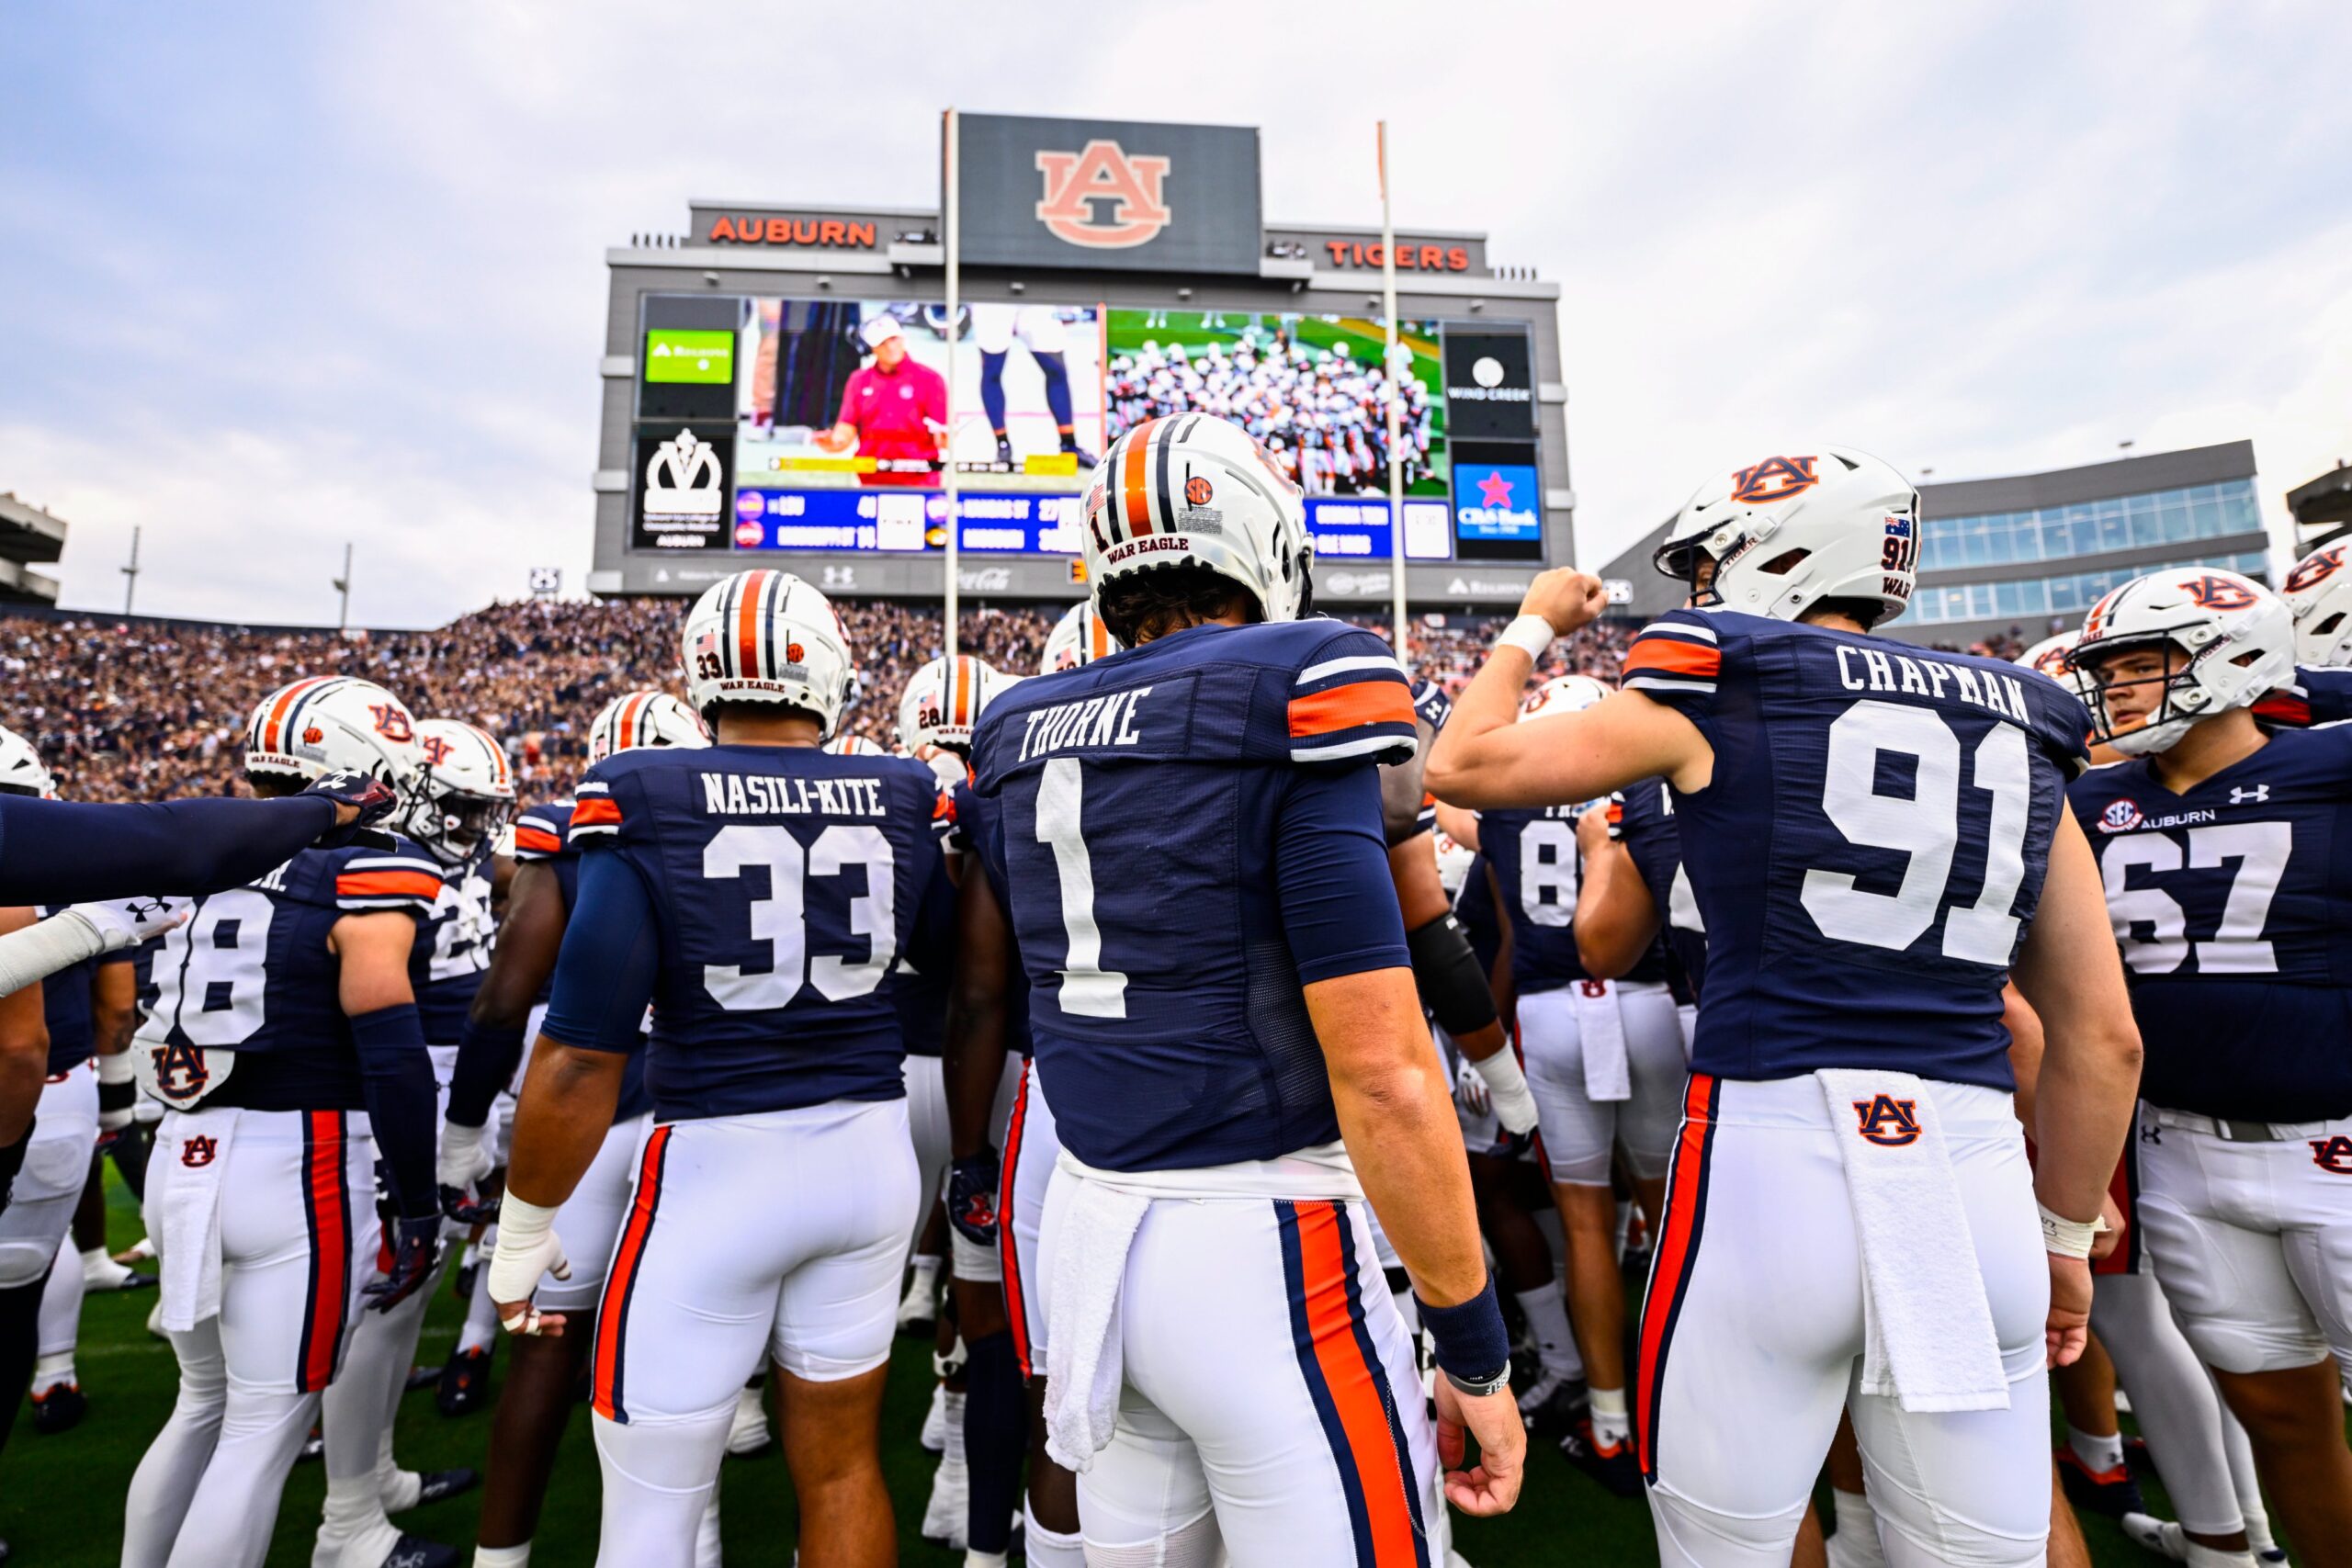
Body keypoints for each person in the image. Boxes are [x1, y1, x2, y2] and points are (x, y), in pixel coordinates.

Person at [1426, 446, 2143, 1566]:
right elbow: (2102, 1037)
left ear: (1783, 553)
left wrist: (1526, 624)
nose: (1702, 594)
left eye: (1712, 567)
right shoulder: (2026, 718)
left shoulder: (1728, 674)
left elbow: (1457, 764)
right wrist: (2058, 1233)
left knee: (1730, 1546)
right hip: (1969, 1177)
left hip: (1770, 1163)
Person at [968, 412, 1524, 1562]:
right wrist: (1471, 1349)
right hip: (1269, 1243)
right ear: (1263, 535)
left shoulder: (1016, 726)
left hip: (1096, 1235)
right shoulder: (1300, 674)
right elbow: (1380, 1071)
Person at [489, 570, 952, 1566]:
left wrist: (524, 1224)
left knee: (657, 1497)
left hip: (716, 1162)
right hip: (870, 1160)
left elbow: (579, 1051)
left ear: (700, 675)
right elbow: (950, 966)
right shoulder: (907, 793)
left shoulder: (644, 789)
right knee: (840, 1467)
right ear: (825, 670)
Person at [122, 676, 454, 1568]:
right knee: (265, 1426)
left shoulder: (190, 855)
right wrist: (418, 1200)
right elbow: (389, 1047)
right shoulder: (363, 867)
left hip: (177, 1155)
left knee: (201, 1403)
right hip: (296, 1160)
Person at [2064, 566, 2352, 1562]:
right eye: (2110, 669)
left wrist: (2299, 686)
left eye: (2142, 665)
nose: (2118, 690)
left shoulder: (2331, 764)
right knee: (2278, 1420)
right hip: (2177, 1150)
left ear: (2233, 660)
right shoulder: (2093, 799)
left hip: (2335, 1146)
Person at [441, 688, 708, 1568]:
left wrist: (465, 1128)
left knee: (550, 1344)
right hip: (692, 1108)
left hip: (580, 1112)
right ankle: (689, 1538)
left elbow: (503, 999)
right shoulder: (717, 821)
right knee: (692, 1337)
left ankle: (500, 1555)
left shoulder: (563, 835)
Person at [1453, 672, 1686, 1496]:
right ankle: (1687, 1401)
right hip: (1650, 1003)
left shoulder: (1508, 801)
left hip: (1553, 1015)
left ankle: (1613, 1418)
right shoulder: (1652, 784)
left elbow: (1446, 785)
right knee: (1670, 1225)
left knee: (1587, 1226)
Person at [813, 314, 949, 489]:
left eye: (893, 339)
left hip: (920, 482)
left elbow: (943, 434)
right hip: (871, 481)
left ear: (902, 338)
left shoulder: (930, 379)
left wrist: (946, 438)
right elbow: (846, 428)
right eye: (882, 343)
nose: (891, 347)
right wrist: (833, 442)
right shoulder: (859, 380)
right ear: (872, 348)